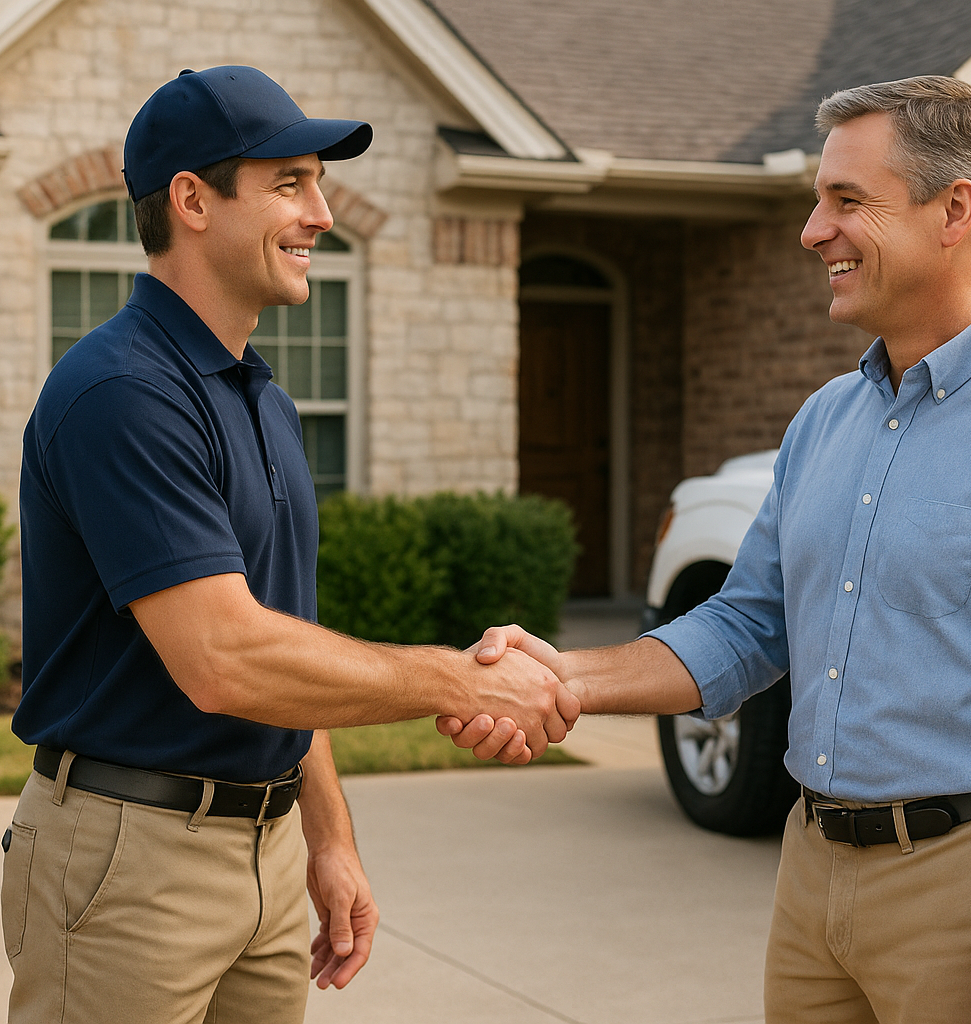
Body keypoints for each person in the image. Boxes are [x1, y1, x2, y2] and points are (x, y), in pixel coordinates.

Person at [448, 76, 971, 1024]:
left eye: (846, 201)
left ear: (954, 209)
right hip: (813, 873)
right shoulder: (828, 419)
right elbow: (750, 625)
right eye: (816, 201)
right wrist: (569, 678)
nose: (810, 231)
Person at [4, 66, 577, 1024]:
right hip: (129, 861)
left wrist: (327, 835)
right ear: (191, 199)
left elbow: (280, 640)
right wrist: (467, 681)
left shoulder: (260, 397)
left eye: (317, 183)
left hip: (262, 854)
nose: (321, 212)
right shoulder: (122, 393)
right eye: (288, 184)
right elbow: (226, 659)